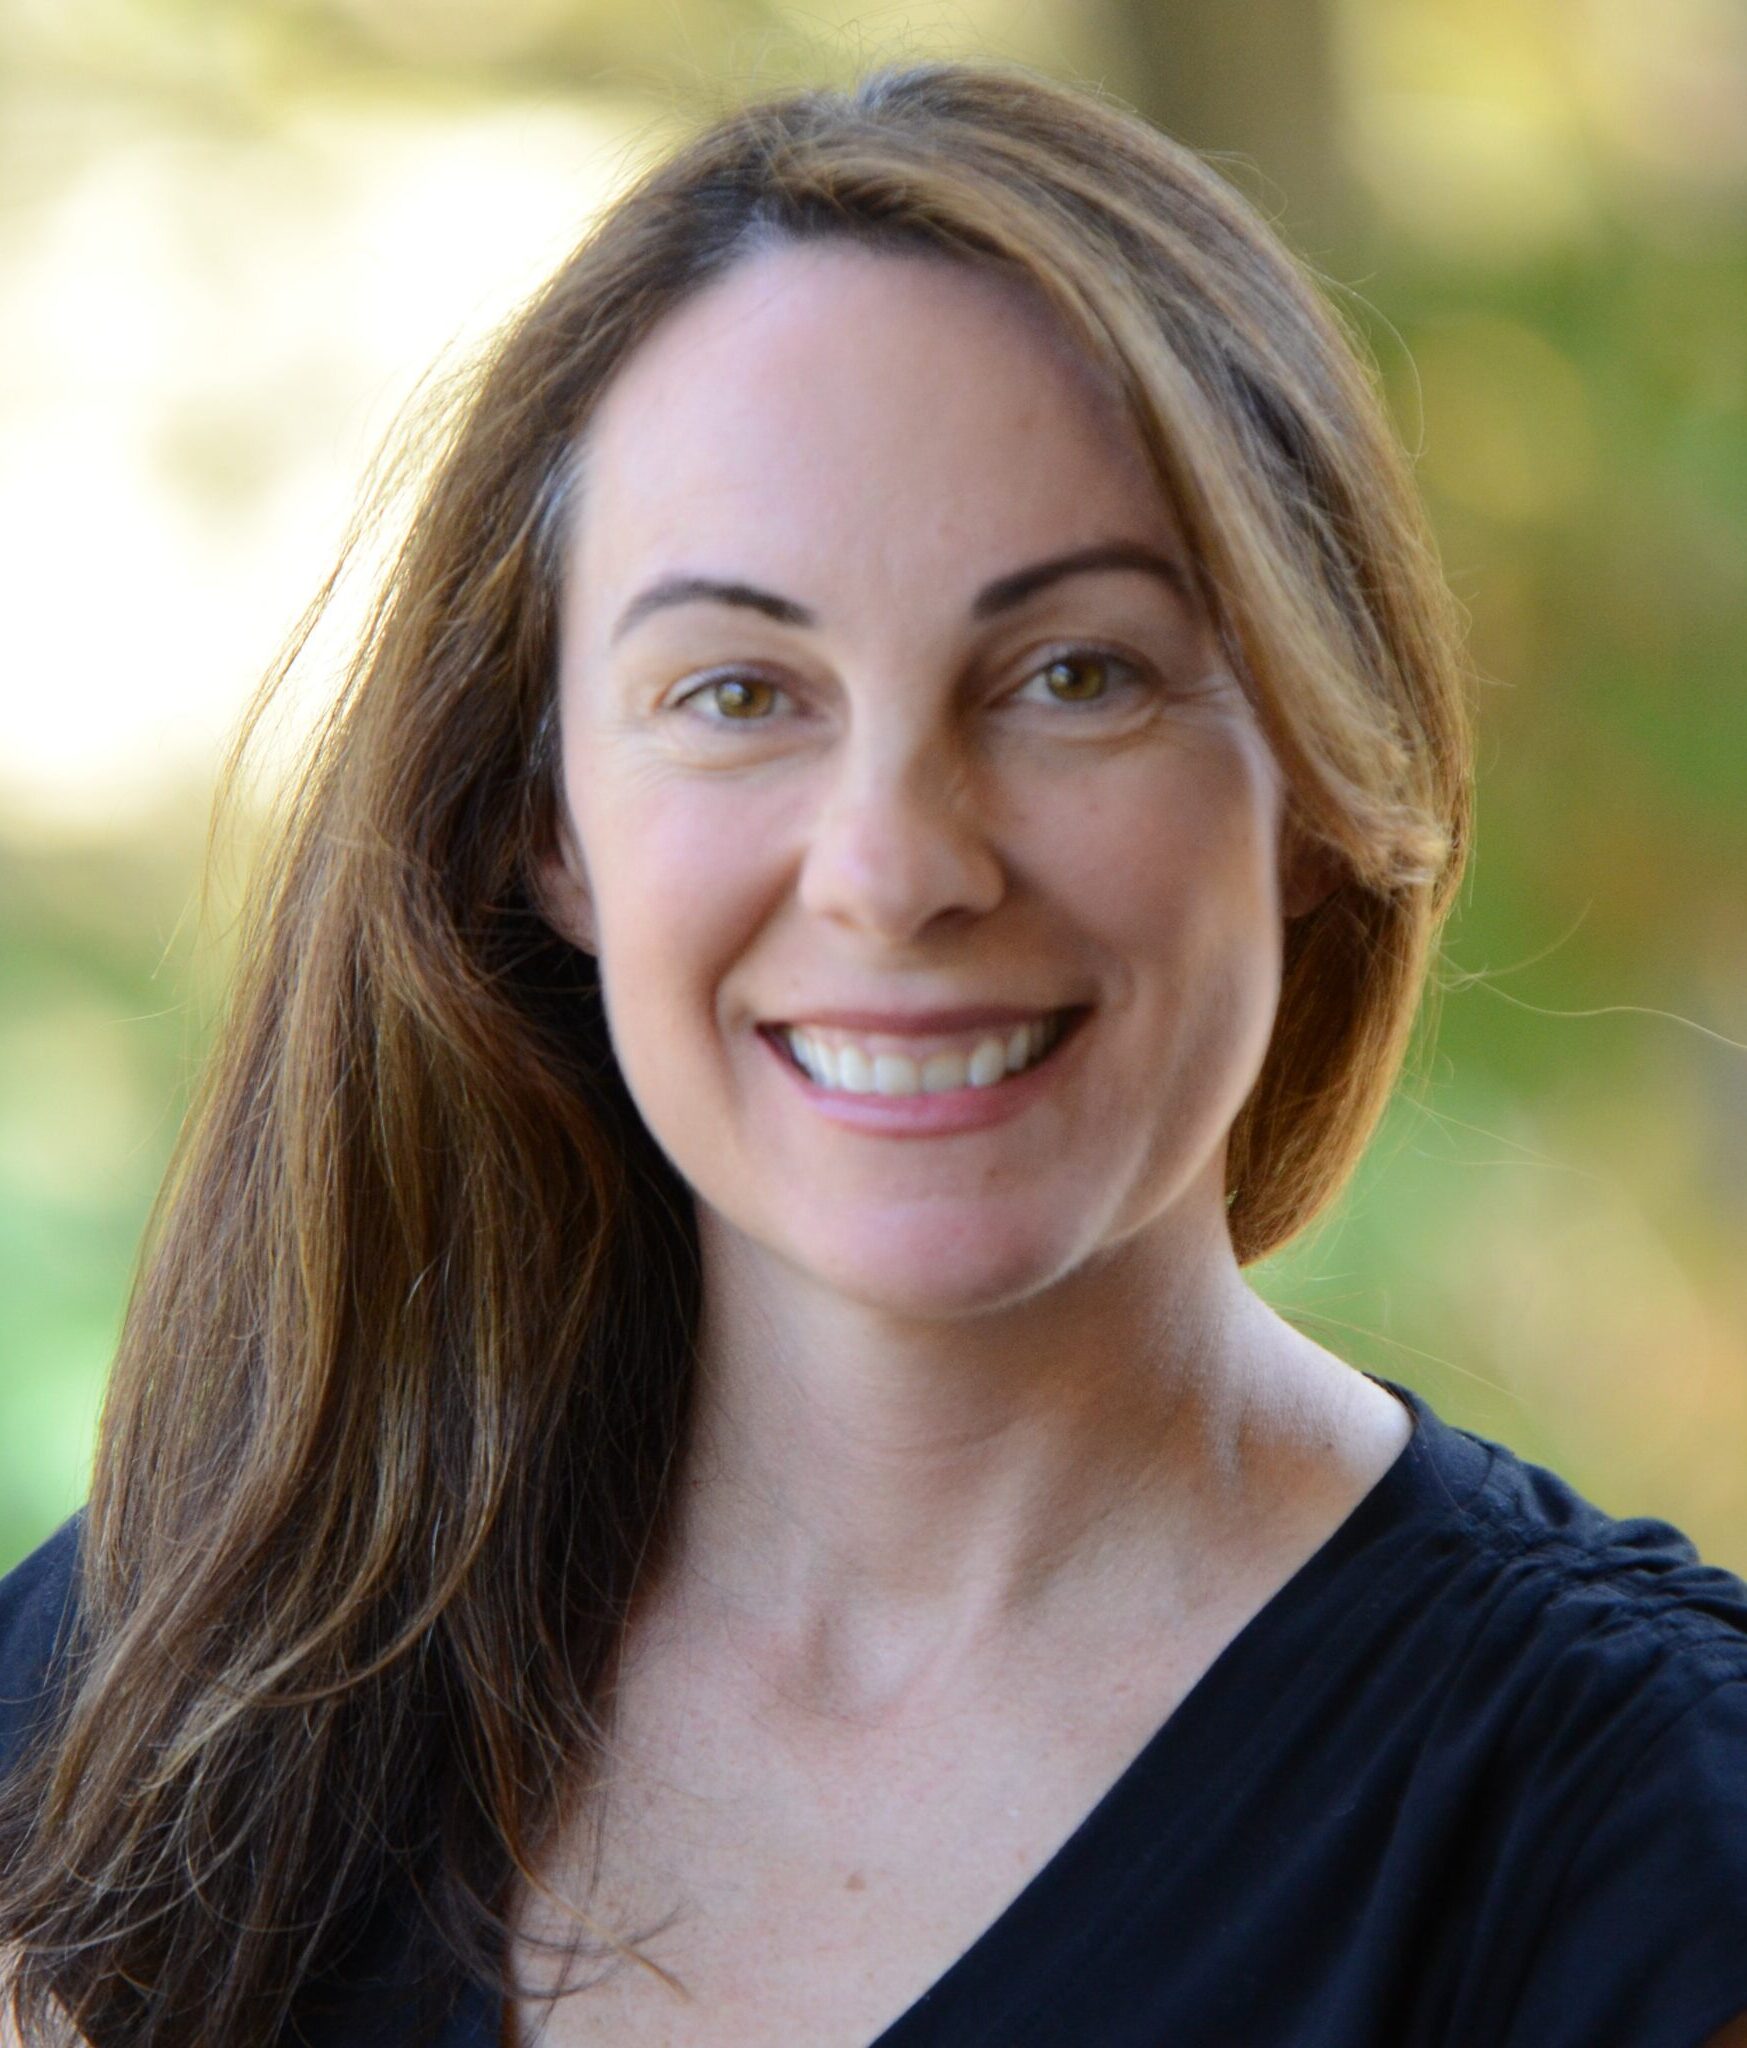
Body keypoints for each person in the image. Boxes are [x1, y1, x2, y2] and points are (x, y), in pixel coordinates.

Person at [2, 57, 1745, 2048]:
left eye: (1073, 674)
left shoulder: (1632, 1836)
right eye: (739, 689)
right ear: (543, 819)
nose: (898, 865)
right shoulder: (165, 1688)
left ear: (1316, 795)